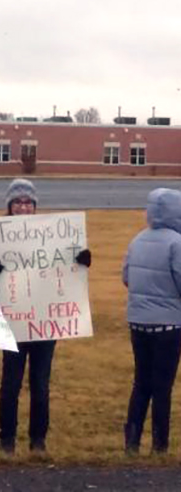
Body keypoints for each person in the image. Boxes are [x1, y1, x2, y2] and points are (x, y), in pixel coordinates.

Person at [0, 178, 91, 455]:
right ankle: (7, 439)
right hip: (13, 321)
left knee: (40, 383)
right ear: (9, 205)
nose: (23, 207)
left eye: (28, 202)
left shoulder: (51, 235)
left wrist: (80, 260)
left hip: (45, 321)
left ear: (35, 206)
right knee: (10, 383)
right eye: (18, 202)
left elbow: (65, 269)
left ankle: (38, 440)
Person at [122, 188, 181, 454]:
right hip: (168, 325)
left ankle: (132, 441)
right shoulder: (177, 243)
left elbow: (126, 277)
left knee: (141, 382)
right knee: (162, 386)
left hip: (138, 321)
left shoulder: (137, 240)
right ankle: (160, 445)